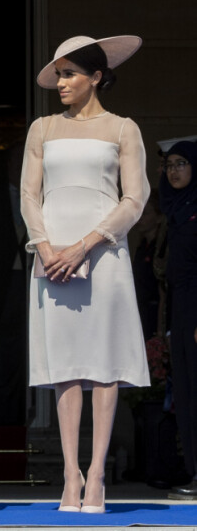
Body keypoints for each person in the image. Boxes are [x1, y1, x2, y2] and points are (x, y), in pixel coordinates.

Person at [21, 35, 151, 513]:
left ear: (97, 76)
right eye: (58, 74)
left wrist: (85, 245)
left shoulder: (123, 128)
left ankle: (97, 474)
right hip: (53, 257)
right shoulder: (42, 128)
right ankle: (70, 475)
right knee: (66, 367)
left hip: (103, 255)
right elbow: (29, 196)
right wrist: (47, 246)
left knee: (103, 363)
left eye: (70, 73)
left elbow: (134, 199)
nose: (61, 83)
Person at [158, 140, 197, 500]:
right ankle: (194, 473)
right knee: (185, 394)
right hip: (180, 311)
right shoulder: (172, 209)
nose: (174, 170)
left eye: (182, 163)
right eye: (169, 164)